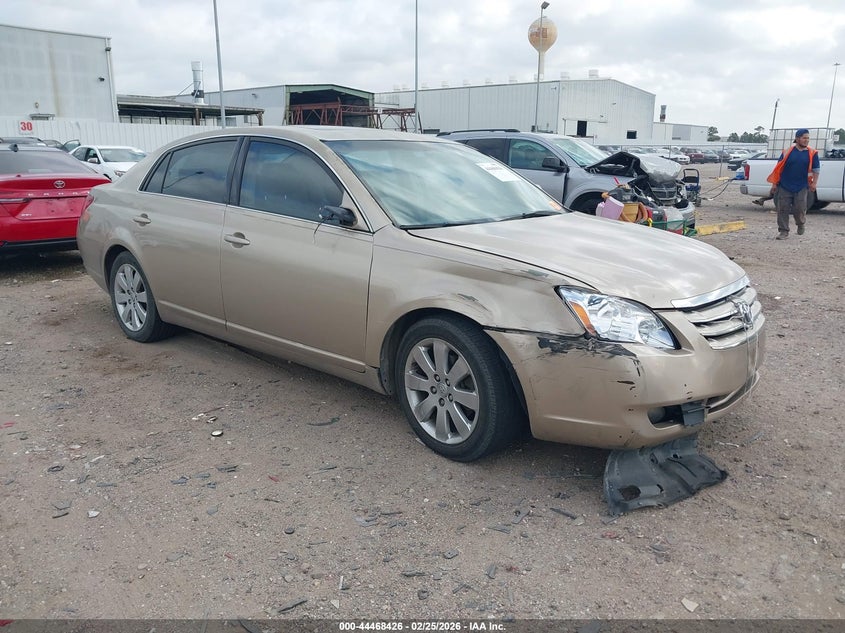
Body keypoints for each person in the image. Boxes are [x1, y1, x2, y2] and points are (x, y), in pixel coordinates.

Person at [767, 128, 820, 239]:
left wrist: (814, 183)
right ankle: (783, 231)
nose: (807, 140)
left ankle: (800, 224)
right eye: (804, 138)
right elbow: (778, 169)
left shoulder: (812, 153)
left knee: (799, 209)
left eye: (808, 138)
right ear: (797, 138)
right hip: (785, 185)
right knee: (782, 209)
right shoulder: (787, 152)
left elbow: (816, 170)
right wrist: (774, 184)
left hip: (802, 186)